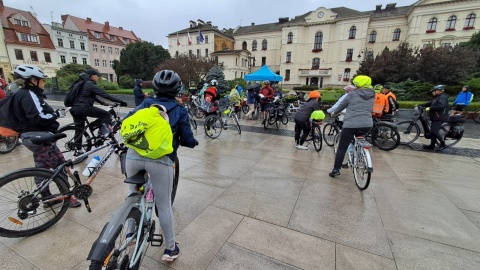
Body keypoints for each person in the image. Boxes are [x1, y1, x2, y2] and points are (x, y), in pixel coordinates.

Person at [124, 69, 198, 262]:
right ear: (177, 89)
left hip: (133, 157)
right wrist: (191, 142)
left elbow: (128, 120)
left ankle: (129, 234)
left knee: (132, 196)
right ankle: (170, 248)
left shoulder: (145, 103)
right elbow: (188, 139)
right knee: (164, 206)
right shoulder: (180, 110)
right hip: (161, 160)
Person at [0, 64, 81, 207]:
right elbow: (38, 117)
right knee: (59, 166)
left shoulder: (22, 93)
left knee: (42, 168)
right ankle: (66, 197)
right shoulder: (29, 94)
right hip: (40, 136)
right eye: (42, 80)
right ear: (32, 80)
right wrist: (56, 114)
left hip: (30, 137)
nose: (44, 83)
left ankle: (47, 197)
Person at [69, 69, 127, 154]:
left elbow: (92, 96)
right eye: (97, 76)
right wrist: (120, 101)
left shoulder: (82, 84)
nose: (98, 77)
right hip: (84, 108)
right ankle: (100, 133)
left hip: (74, 109)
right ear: (92, 76)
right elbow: (104, 94)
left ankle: (78, 150)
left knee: (79, 129)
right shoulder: (90, 84)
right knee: (106, 115)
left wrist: (103, 103)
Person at [329, 75, 375, 177]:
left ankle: (336, 169)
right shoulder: (373, 94)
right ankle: (360, 156)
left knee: (342, 148)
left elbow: (341, 106)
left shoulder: (352, 94)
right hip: (367, 124)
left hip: (351, 124)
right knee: (359, 140)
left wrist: (334, 113)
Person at [422, 85, 449, 151]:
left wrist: (430, 108)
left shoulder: (443, 97)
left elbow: (440, 106)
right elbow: (430, 103)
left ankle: (443, 144)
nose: (432, 92)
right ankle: (432, 145)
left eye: (434, 91)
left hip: (439, 117)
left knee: (434, 131)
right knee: (432, 132)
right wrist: (421, 105)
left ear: (438, 91)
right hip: (435, 117)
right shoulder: (438, 97)